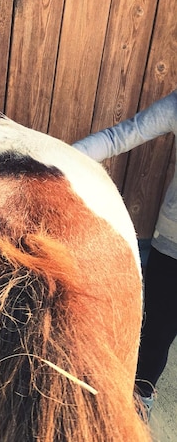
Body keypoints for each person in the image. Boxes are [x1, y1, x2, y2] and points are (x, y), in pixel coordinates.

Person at [72, 89, 177, 419]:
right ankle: (138, 397)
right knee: (155, 331)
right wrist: (60, 157)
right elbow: (121, 136)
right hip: (173, 246)